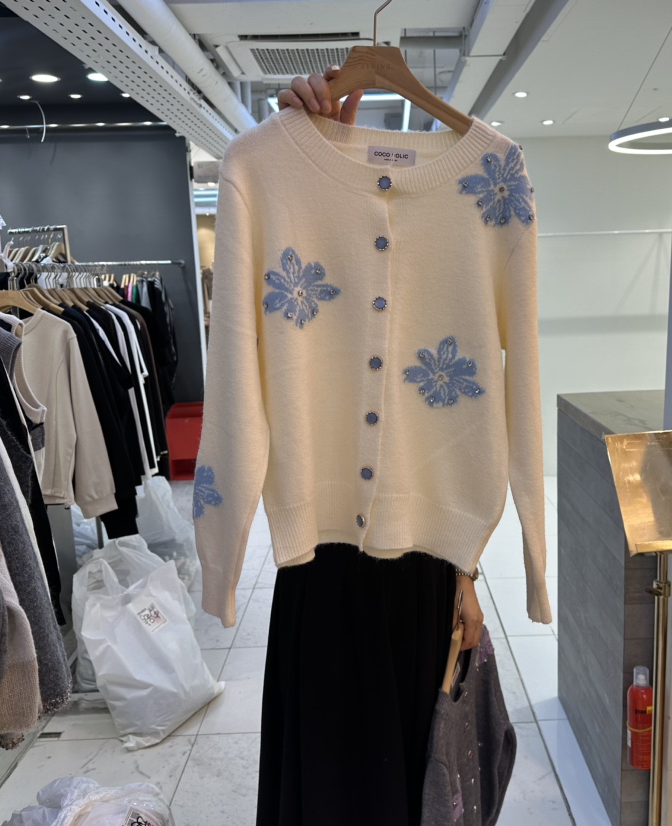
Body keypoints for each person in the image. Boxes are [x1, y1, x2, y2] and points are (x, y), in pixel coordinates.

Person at [255, 64, 485, 826]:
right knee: (329, 782)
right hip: (320, 557)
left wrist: (470, 571)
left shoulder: (482, 189)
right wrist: (304, 154)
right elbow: (245, 369)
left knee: (415, 784)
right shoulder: (279, 179)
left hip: (424, 564)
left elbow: (488, 403)